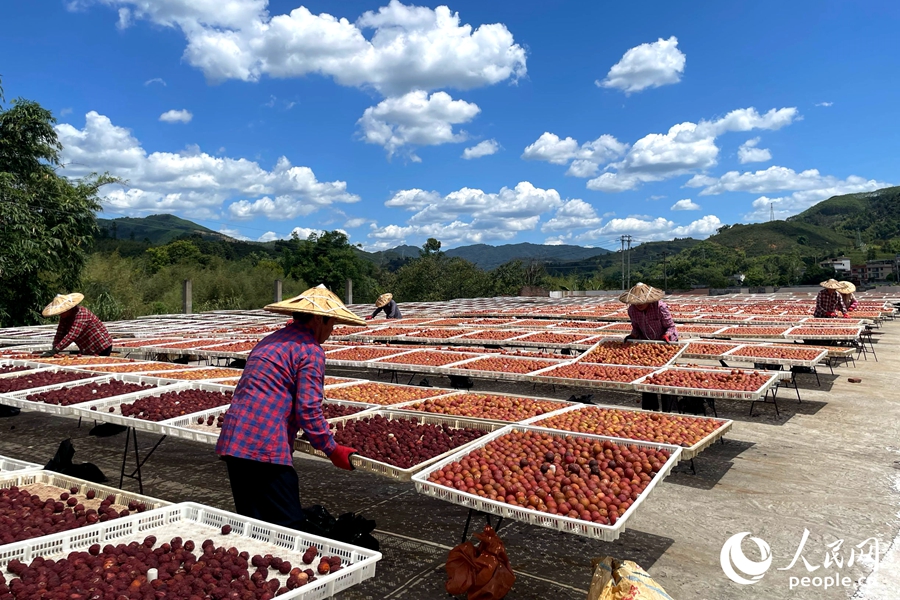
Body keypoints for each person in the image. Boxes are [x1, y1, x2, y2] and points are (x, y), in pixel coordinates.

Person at [215, 284, 363, 531]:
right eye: (331, 324)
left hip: (235, 442)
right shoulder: (310, 351)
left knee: (253, 526)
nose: (331, 331)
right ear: (318, 319)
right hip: (265, 447)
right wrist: (332, 449)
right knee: (288, 526)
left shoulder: (270, 341)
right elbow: (308, 410)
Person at [619, 283, 681, 412]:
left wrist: (667, 336)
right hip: (647, 345)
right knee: (647, 377)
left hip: (666, 344)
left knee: (666, 378)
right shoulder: (632, 310)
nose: (639, 304)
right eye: (636, 302)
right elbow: (636, 327)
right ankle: (650, 410)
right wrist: (633, 336)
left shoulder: (660, 307)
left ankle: (670, 410)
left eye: (642, 302)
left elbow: (670, 326)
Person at [42, 293, 113, 357]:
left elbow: (72, 335)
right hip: (87, 348)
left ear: (68, 309)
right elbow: (60, 333)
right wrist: (54, 348)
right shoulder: (64, 317)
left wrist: (56, 350)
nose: (60, 314)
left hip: (101, 346)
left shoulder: (82, 314)